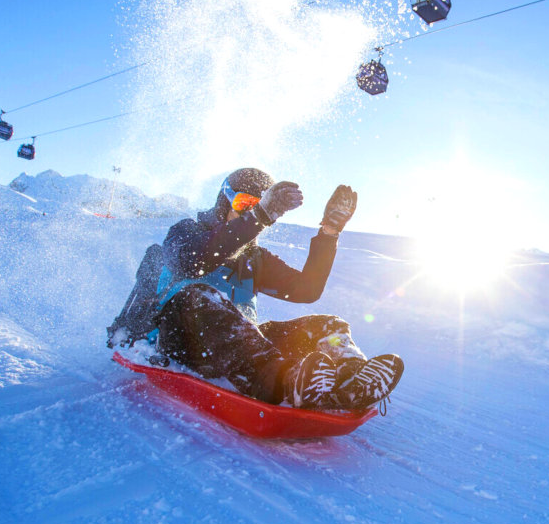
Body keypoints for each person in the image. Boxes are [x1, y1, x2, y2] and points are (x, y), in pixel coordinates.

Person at [155, 168, 404, 410]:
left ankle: (350, 382)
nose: (249, 214)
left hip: (239, 350)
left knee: (327, 325)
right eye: (244, 204)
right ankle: (283, 382)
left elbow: (306, 290)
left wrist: (329, 232)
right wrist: (260, 216)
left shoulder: (255, 258)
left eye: (258, 207)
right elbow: (192, 260)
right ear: (223, 202)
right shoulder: (185, 232)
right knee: (198, 296)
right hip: (183, 343)